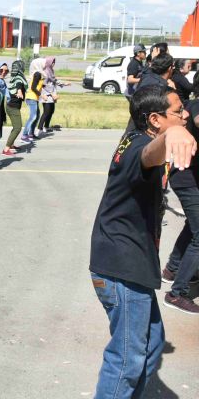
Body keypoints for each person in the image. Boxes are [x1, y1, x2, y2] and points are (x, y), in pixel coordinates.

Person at [89, 84, 196, 397]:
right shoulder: (139, 147)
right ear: (155, 119)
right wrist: (171, 135)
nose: (184, 115)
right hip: (122, 268)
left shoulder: (137, 137)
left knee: (150, 347)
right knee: (127, 358)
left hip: (130, 264)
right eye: (177, 111)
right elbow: (148, 155)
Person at [162, 87, 199, 314]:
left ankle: (173, 269)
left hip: (189, 177)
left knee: (192, 226)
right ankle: (177, 294)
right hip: (187, 179)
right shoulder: (195, 104)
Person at [4, 60, 26, 155]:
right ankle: (6, 149)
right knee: (18, 127)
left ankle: (11, 145)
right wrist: (20, 91)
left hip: (10, 106)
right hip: (13, 108)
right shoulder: (18, 79)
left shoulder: (15, 77)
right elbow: (18, 85)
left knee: (15, 127)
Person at [22, 57, 44, 142]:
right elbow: (33, 87)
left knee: (37, 115)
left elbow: (38, 85)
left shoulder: (39, 74)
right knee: (33, 117)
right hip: (31, 98)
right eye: (44, 64)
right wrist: (41, 95)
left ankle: (31, 134)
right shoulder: (37, 74)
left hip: (34, 98)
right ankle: (24, 135)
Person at [36, 57, 59, 136]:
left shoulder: (51, 71)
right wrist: (52, 94)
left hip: (52, 95)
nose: (53, 64)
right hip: (46, 95)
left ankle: (46, 126)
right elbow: (43, 85)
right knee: (46, 112)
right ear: (49, 63)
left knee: (51, 111)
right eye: (52, 62)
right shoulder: (45, 72)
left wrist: (63, 84)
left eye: (54, 62)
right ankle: (39, 129)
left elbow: (54, 81)